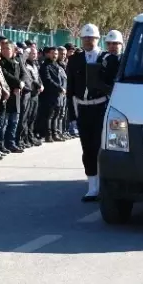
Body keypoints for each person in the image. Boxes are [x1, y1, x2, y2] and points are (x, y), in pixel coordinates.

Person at [66, 24, 108, 202]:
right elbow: (70, 89)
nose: (88, 41)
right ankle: (92, 187)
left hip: (100, 107)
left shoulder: (105, 58)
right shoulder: (75, 59)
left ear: (98, 39)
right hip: (82, 107)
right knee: (87, 148)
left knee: (101, 147)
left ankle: (104, 184)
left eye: (91, 38)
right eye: (85, 38)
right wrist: (72, 116)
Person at [40, 47, 67, 142]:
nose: (54, 55)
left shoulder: (57, 65)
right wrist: (59, 88)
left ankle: (55, 133)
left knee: (56, 114)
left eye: (56, 54)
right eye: (52, 53)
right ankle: (49, 135)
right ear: (48, 54)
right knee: (50, 115)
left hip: (59, 95)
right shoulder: (45, 66)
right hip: (50, 94)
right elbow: (48, 80)